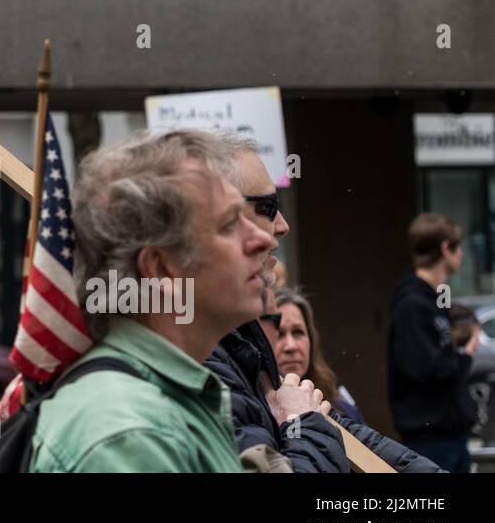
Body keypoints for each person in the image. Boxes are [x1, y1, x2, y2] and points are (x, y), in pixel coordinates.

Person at [29, 129, 275, 473]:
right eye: (228, 225)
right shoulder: (132, 434)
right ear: (160, 268)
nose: (264, 239)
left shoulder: (169, 401)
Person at [208, 138, 439, 473]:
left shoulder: (241, 352)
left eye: (297, 331)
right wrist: (302, 422)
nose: (281, 227)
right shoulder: (198, 367)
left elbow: (360, 444)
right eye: (268, 207)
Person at [389, 212, 481, 473]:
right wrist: (466, 355)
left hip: (450, 435)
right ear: (445, 248)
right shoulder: (413, 304)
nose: (462, 254)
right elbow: (427, 370)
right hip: (431, 439)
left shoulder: (431, 300)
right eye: (458, 247)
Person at [270, 287, 363, 422]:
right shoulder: (255, 415)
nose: (291, 346)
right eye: (279, 334)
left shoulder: (343, 410)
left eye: (298, 332)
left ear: (311, 340)